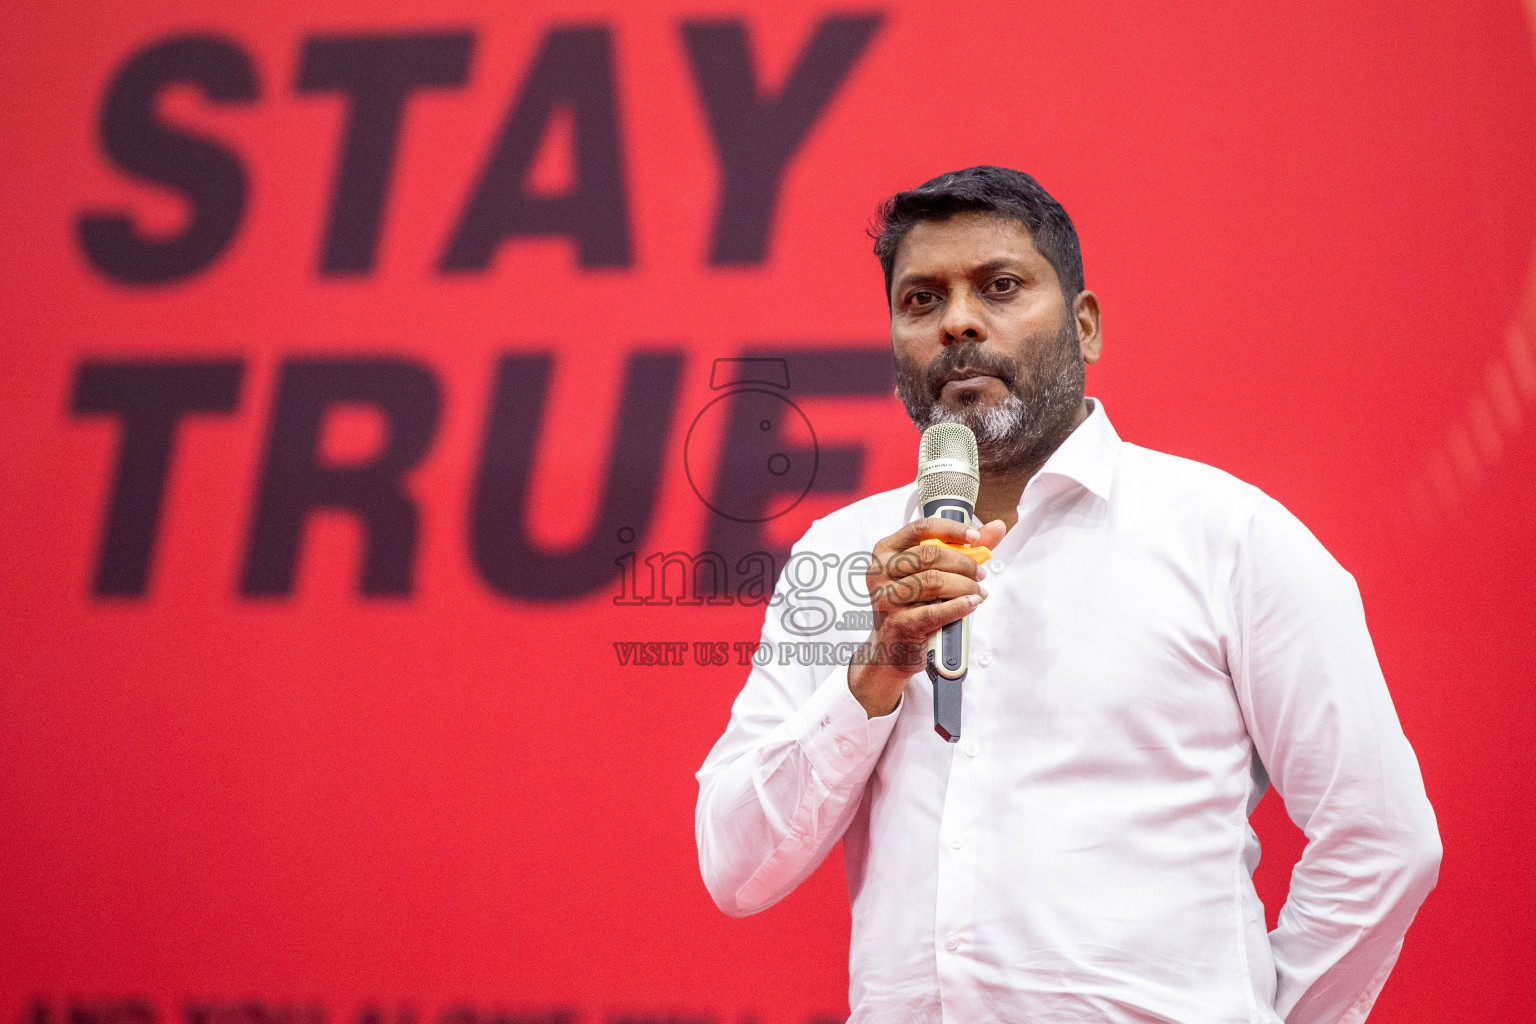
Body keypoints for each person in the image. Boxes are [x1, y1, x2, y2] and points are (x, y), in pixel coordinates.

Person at [694, 166, 1442, 1023]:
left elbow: (1383, 840)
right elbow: (737, 866)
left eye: (1001, 286)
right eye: (922, 300)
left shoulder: (1230, 538)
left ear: (1084, 326)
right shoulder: (839, 556)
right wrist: (874, 671)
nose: (959, 322)